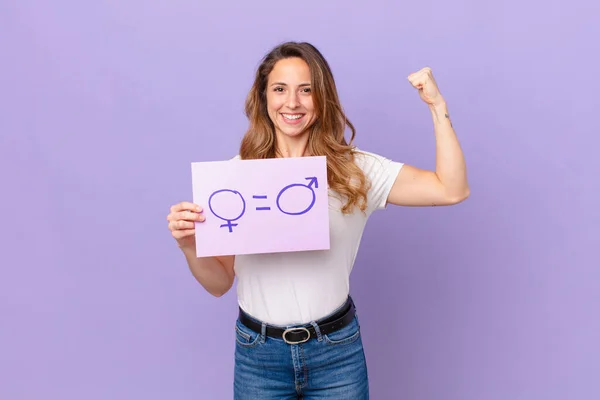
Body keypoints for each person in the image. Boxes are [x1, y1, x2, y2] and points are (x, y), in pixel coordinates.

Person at [166, 41, 469, 399]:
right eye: (280, 89)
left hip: (335, 352)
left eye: (306, 90)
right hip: (258, 355)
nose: (291, 103)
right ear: (263, 98)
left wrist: (437, 106)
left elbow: (451, 189)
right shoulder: (237, 179)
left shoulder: (354, 171)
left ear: (322, 98)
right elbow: (219, 284)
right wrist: (189, 245)